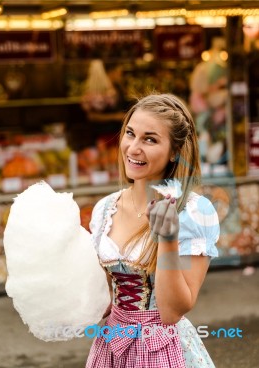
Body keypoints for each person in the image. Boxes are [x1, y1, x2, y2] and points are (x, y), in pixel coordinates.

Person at [86, 93, 220, 367]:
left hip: (163, 349)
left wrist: (167, 239)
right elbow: (105, 300)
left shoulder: (195, 212)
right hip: (111, 347)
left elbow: (171, 312)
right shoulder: (104, 209)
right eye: (130, 134)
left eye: (150, 139)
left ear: (174, 152)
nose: (133, 148)